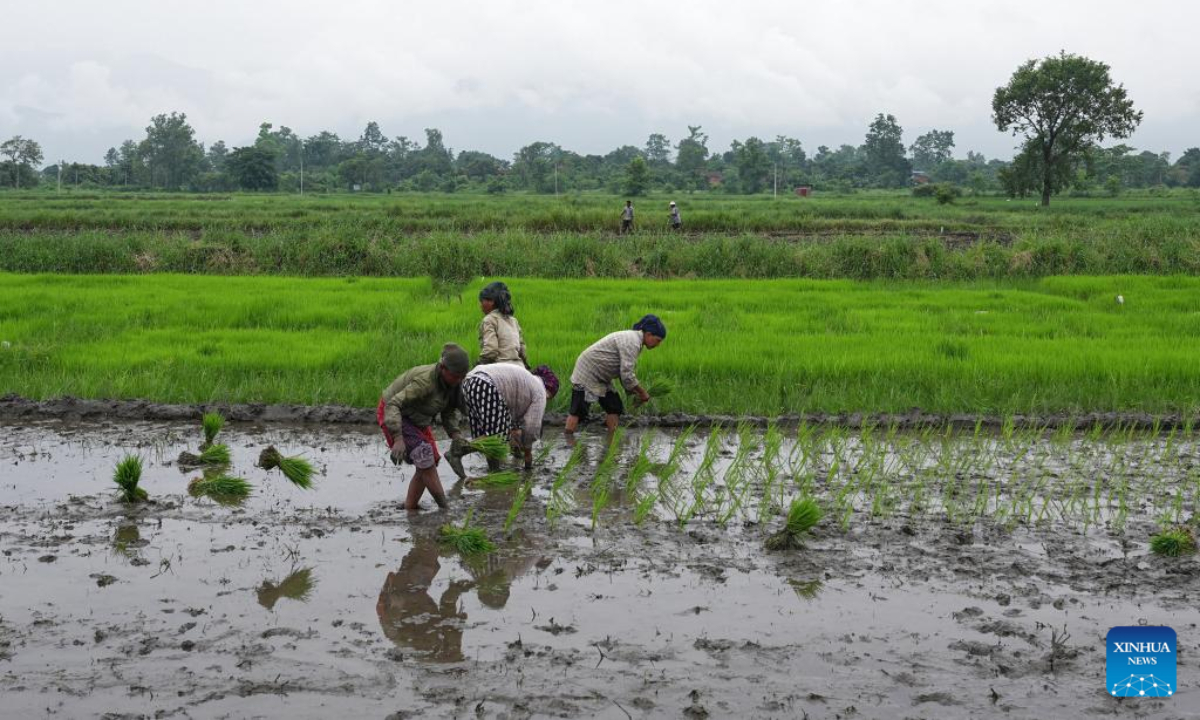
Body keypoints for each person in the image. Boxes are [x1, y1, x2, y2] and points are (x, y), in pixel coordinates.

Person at [378, 343, 469, 510]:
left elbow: (448, 412)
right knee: (424, 458)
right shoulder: (425, 381)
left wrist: (456, 435)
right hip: (396, 413)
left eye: (462, 377)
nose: (459, 381)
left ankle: (410, 508)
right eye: (456, 376)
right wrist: (398, 438)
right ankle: (445, 509)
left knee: (430, 459)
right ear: (443, 368)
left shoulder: (452, 384)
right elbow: (393, 404)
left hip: (417, 418)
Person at [447, 363, 559, 478]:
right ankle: (457, 451)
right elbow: (531, 427)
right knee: (497, 437)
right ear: (549, 391)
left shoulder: (527, 381)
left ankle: (494, 470)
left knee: (490, 435)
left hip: (470, 381)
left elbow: (509, 416)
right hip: (485, 385)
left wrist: (514, 438)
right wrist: (528, 455)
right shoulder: (540, 391)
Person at [565, 314, 666, 434]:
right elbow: (627, 374)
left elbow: (623, 374)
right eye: (658, 340)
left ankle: (612, 441)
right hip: (588, 371)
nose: (658, 344)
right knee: (578, 410)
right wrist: (642, 392)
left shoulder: (636, 341)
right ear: (649, 334)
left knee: (614, 407)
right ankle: (568, 442)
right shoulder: (632, 342)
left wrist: (634, 393)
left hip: (601, 375)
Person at [477, 281, 527, 367]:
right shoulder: (513, 321)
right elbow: (522, 350)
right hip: (519, 367)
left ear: (491, 302)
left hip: (500, 368)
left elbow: (490, 351)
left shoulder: (489, 320)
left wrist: (477, 366)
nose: (480, 305)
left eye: (482, 301)